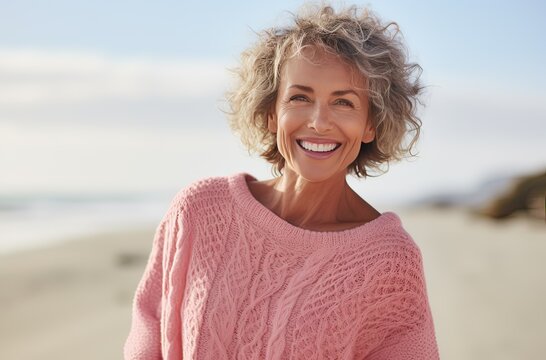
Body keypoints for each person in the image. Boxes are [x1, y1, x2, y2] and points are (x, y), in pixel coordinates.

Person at [124, 3, 440, 359]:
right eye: (300, 97)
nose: (319, 122)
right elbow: (148, 330)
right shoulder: (200, 210)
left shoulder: (389, 260)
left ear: (371, 124)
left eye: (344, 103)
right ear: (272, 112)